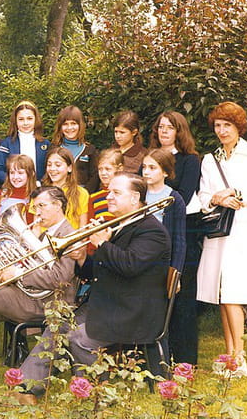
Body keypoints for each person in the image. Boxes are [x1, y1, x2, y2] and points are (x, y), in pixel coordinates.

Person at [17, 173, 171, 404]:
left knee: (80, 339)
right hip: (109, 304)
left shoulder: (152, 231)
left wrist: (102, 244)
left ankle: (97, 395)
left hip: (134, 313)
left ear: (135, 198)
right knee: (59, 324)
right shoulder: (120, 224)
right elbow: (101, 273)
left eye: (116, 193)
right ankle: (27, 389)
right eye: (109, 192)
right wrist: (82, 259)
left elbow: (129, 266)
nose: (108, 197)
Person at [0, 186, 78, 369]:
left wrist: (18, 274)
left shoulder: (70, 235)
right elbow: (34, 268)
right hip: (29, 297)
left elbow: (60, 278)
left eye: (42, 206)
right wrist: (11, 272)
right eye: (36, 207)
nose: (37, 212)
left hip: (48, 303)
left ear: (57, 205)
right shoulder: (44, 234)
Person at [197, 102, 247, 377]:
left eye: (227, 125)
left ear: (238, 126)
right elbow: (203, 196)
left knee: (234, 293)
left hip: (244, 232)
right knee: (222, 293)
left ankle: (239, 359)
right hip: (219, 232)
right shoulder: (210, 159)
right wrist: (217, 199)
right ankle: (229, 354)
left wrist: (235, 193)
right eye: (218, 125)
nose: (222, 130)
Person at [148, 112, 202, 364]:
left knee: (182, 297)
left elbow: (183, 195)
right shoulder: (151, 159)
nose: (164, 131)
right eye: (161, 127)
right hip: (153, 234)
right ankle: (160, 355)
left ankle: (186, 360)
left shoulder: (190, 160)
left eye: (170, 127)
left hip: (182, 231)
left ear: (180, 131)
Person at [0, 100, 50, 183]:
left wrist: (40, 183)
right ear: (15, 121)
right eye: (21, 119)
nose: (25, 123)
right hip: (14, 188)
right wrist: (15, 180)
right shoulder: (7, 144)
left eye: (29, 119)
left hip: (39, 188)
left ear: (36, 119)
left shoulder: (45, 144)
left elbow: (50, 170)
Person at [0, 154, 37, 247]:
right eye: (12, 172)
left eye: (20, 173)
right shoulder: (1, 195)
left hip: (26, 248)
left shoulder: (35, 197)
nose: (15, 177)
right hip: (1, 248)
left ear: (31, 174)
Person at [50, 105, 99, 193]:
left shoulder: (90, 149)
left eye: (73, 123)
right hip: (58, 194)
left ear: (80, 125)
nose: (69, 128)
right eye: (65, 124)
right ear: (60, 127)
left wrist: (83, 194)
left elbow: (95, 176)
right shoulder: (54, 149)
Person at [42, 147, 89, 229]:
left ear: (69, 168)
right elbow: (37, 227)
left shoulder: (81, 193)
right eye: (49, 165)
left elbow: (82, 228)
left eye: (58, 165)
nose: (52, 169)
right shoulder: (40, 193)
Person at [87, 149, 124, 223]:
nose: (103, 173)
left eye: (108, 169)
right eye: (100, 169)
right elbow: (89, 223)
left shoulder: (126, 194)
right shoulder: (93, 198)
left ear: (120, 168)